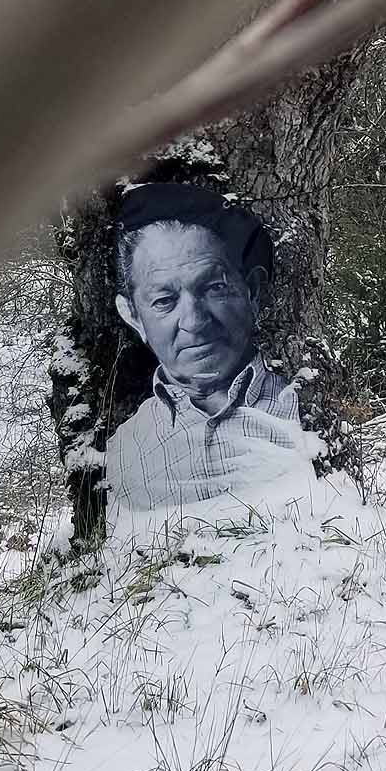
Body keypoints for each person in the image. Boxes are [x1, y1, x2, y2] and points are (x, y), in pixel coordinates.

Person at [105, 183, 315, 519]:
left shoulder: (306, 412)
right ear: (133, 316)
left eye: (215, 288)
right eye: (164, 301)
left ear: (253, 291)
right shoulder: (125, 450)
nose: (194, 322)